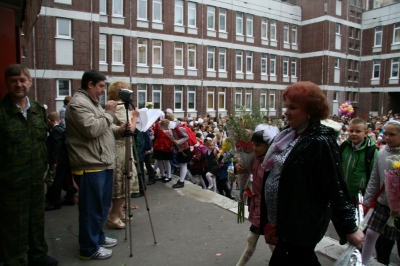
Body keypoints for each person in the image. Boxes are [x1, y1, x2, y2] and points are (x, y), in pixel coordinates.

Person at [263, 82, 363, 265]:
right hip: (285, 222)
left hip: (302, 223)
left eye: (293, 107)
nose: (286, 112)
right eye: (286, 106)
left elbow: (335, 185)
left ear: (310, 110)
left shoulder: (320, 141)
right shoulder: (289, 133)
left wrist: (349, 227)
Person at [65, 70, 133, 260]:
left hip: (102, 162)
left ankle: (98, 237)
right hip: (90, 164)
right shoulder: (79, 104)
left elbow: (104, 127)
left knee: (102, 206)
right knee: (91, 208)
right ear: (90, 84)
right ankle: (88, 248)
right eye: (102, 86)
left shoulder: (91, 103)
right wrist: (110, 113)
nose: (104, 90)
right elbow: (92, 129)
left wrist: (119, 129)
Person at [0, 64, 59, 266]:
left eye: (22, 80)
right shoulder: (1, 112)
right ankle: (14, 261)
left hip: (35, 178)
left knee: (36, 220)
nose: (18, 84)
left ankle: (38, 255)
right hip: (11, 182)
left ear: (30, 82)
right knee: (14, 225)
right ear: (7, 83)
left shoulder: (36, 109)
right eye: (13, 80)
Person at [236, 127, 277, 266]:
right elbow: (240, 171)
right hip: (258, 205)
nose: (254, 148)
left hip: (269, 208)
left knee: (267, 240)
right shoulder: (253, 157)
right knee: (256, 239)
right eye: (253, 144)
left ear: (268, 146)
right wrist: (238, 168)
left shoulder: (274, 162)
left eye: (258, 145)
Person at [361, 120, 400, 266]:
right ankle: (363, 263)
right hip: (383, 204)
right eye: (385, 134)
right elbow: (374, 179)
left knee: (392, 242)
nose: (387, 137)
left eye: (392, 134)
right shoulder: (382, 153)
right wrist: (367, 203)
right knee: (370, 234)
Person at [105, 81, 140, 229]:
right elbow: (129, 129)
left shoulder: (116, 106)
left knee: (121, 179)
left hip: (121, 147)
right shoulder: (120, 108)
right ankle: (113, 216)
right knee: (123, 179)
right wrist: (135, 117)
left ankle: (118, 213)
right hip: (121, 148)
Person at [341, 118, 378, 206]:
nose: (354, 134)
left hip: (360, 195)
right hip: (342, 191)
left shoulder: (372, 151)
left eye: (358, 131)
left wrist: (369, 197)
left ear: (365, 133)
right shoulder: (344, 146)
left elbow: (374, 176)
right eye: (351, 131)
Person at [45, 112, 77, 211]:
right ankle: (69, 197)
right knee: (66, 179)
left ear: (49, 120)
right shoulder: (62, 129)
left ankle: (55, 202)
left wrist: (54, 160)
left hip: (59, 160)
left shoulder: (55, 131)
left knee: (56, 181)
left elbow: (56, 146)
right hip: (65, 158)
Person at [166, 113, 193, 188]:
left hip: (184, 148)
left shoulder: (179, 128)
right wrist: (174, 145)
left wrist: (178, 142)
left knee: (183, 164)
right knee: (182, 164)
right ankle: (181, 180)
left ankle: (181, 181)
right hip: (180, 148)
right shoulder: (174, 129)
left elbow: (186, 137)